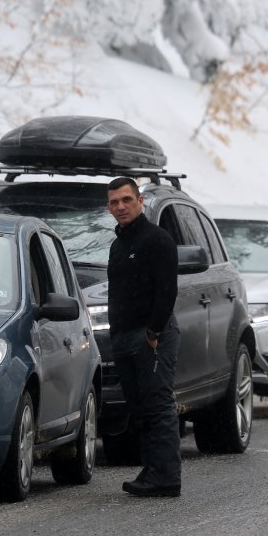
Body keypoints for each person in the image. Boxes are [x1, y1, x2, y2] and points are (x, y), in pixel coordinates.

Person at [106, 177, 181, 497]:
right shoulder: (119, 243)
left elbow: (167, 290)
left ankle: (166, 477)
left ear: (140, 200)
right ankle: (152, 470)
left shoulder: (157, 240)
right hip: (124, 337)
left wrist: (154, 332)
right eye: (114, 202)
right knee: (140, 407)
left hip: (152, 336)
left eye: (126, 200)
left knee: (158, 405)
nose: (120, 207)